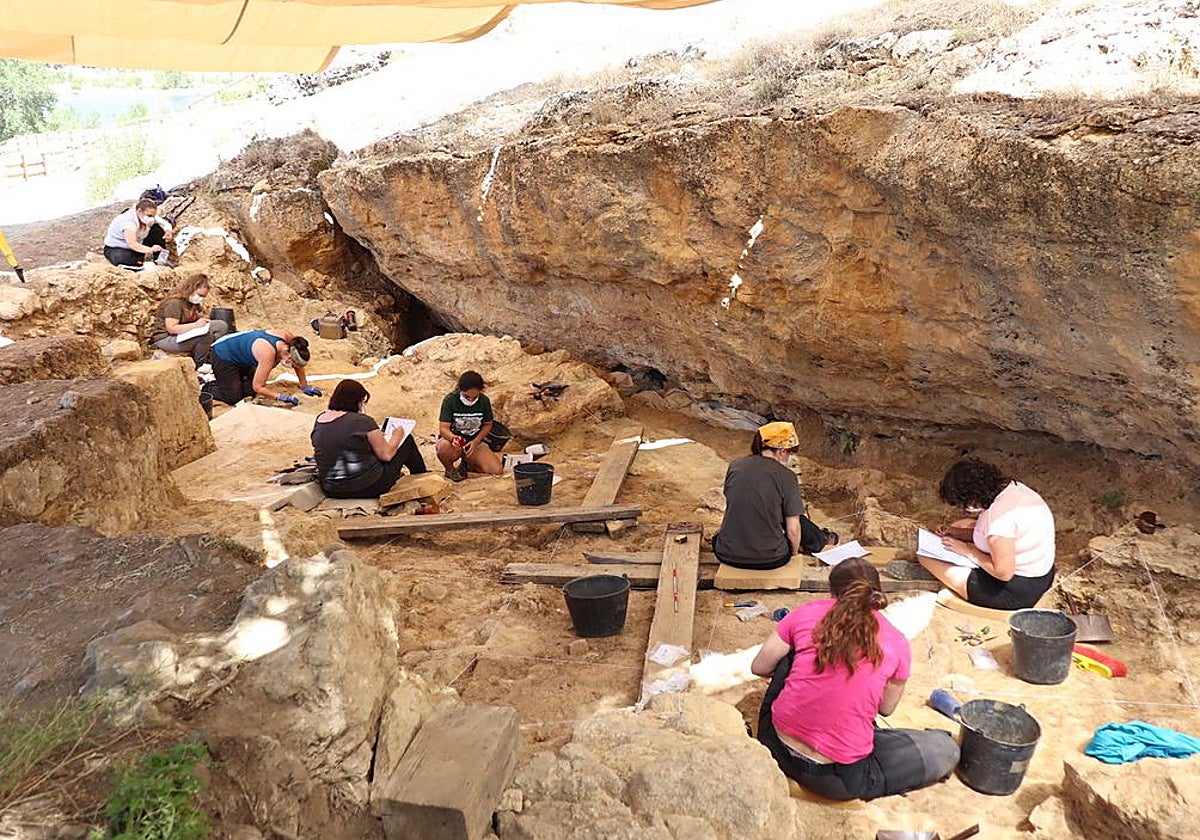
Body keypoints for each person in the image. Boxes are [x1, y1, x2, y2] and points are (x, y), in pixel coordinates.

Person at [752, 558, 959, 801]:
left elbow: (759, 666)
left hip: (775, 746)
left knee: (790, 654)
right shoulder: (896, 641)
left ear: (833, 592)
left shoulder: (806, 613)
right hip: (838, 778)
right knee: (945, 748)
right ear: (876, 594)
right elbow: (886, 708)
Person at [919, 457, 1056, 610]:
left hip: (1015, 591)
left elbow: (1003, 573)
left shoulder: (997, 522)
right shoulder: (1014, 488)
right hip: (1041, 571)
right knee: (961, 525)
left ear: (972, 499)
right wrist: (956, 533)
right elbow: (1005, 534)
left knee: (924, 557)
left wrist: (968, 550)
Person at [711, 421, 836, 570]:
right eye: (790, 452)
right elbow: (793, 529)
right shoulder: (787, 476)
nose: (789, 458)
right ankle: (820, 540)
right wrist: (794, 554)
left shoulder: (735, 466)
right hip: (770, 559)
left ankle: (821, 538)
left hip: (726, 554)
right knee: (792, 516)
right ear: (782, 451)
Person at [311, 379, 428, 498]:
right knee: (406, 441)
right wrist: (397, 436)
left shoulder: (320, 418)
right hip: (367, 486)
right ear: (357, 401)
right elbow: (386, 455)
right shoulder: (363, 421)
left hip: (331, 488)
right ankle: (421, 477)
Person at [210, 329, 321, 407]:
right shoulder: (267, 354)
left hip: (244, 357)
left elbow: (298, 365)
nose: (293, 368)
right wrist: (280, 397)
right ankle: (209, 387)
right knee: (232, 397)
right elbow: (258, 387)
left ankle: (230, 381)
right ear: (289, 357)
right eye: (293, 365)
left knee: (250, 390)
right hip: (223, 354)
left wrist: (304, 385)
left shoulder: (291, 341)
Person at [147, 274, 228, 367]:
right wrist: (196, 325)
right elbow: (172, 328)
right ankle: (200, 363)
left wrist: (202, 319)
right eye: (199, 295)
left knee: (221, 326)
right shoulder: (174, 303)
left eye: (203, 296)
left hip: (183, 334)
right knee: (206, 335)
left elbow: (199, 317)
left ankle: (210, 353)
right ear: (191, 289)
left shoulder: (192, 303)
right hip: (166, 338)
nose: (200, 298)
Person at [436, 370, 502, 481]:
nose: (471, 400)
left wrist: (476, 441)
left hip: (473, 441)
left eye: (474, 397)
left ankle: (467, 464)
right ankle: (450, 470)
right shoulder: (450, 400)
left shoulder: (484, 401)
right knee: (444, 448)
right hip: (454, 442)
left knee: (496, 470)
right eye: (467, 397)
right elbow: (443, 428)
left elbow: (488, 424)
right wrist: (453, 438)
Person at [103, 198, 173, 267]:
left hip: (139, 243)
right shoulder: (128, 222)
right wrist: (150, 250)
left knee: (156, 229)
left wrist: (168, 231)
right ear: (139, 211)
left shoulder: (147, 217)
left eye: (153, 216)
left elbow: (165, 224)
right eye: (149, 216)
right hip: (118, 248)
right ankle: (140, 261)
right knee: (122, 258)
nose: (151, 218)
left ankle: (159, 259)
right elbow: (132, 243)